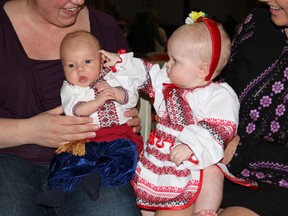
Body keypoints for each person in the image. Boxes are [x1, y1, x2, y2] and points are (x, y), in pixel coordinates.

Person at [101, 11, 257, 216]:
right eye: (169, 57)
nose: (167, 64)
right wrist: (120, 63)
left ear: (202, 70)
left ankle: (205, 211)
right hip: (160, 158)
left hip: (193, 160)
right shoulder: (166, 80)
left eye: (175, 60)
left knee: (211, 172)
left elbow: (221, 127)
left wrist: (191, 146)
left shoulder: (218, 95)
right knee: (145, 204)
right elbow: (147, 73)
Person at [0, 1, 141, 215]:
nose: (78, 0)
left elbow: (130, 84)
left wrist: (126, 111)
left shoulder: (104, 26)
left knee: (113, 210)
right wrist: (31, 130)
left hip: (94, 154)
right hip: (9, 157)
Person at [34, 30, 143, 207]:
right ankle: (59, 189)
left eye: (87, 61)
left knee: (125, 158)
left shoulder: (113, 77)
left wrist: (115, 92)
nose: (79, 69)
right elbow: (76, 110)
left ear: (101, 61)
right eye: (71, 65)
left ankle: (99, 176)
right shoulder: (70, 88)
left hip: (119, 136)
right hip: (85, 139)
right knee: (66, 160)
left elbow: (130, 99)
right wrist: (98, 100)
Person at [218, 1, 288, 216]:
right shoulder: (259, 21)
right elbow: (220, 84)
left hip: (275, 183)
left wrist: (239, 152)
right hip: (217, 164)